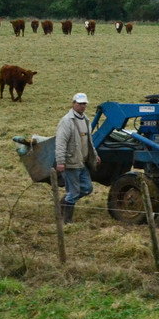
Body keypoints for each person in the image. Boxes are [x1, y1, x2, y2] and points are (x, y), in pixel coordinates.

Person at [54, 92, 101, 224]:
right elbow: (60, 143)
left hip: (82, 162)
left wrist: (95, 155)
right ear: (73, 103)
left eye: (84, 104)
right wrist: (61, 162)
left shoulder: (85, 120)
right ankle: (66, 220)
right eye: (79, 103)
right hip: (71, 162)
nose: (82, 106)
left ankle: (63, 203)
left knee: (87, 188)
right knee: (74, 191)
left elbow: (89, 142)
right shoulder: (67, 121)